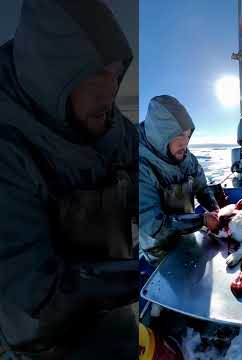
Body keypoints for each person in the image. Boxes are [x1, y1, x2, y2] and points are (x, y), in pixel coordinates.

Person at [0, 0, 138, 358]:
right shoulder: (9, 151)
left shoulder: (104, 121)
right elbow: (32, 292)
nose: (110, 90)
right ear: (51, 73)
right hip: (47, 340)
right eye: (94, 73)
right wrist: (133, 278)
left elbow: (142, 173)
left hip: (116, 308)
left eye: (114, 71)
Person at [139, 95, 220, 264]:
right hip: (159, 248)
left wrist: (215, 208)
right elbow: (153, 225)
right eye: (179, 135)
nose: (185, 142)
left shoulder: (186, 158)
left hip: (188, 233)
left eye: (187, 134)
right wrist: (202, 220)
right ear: (160, 136)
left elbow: (202, 188)